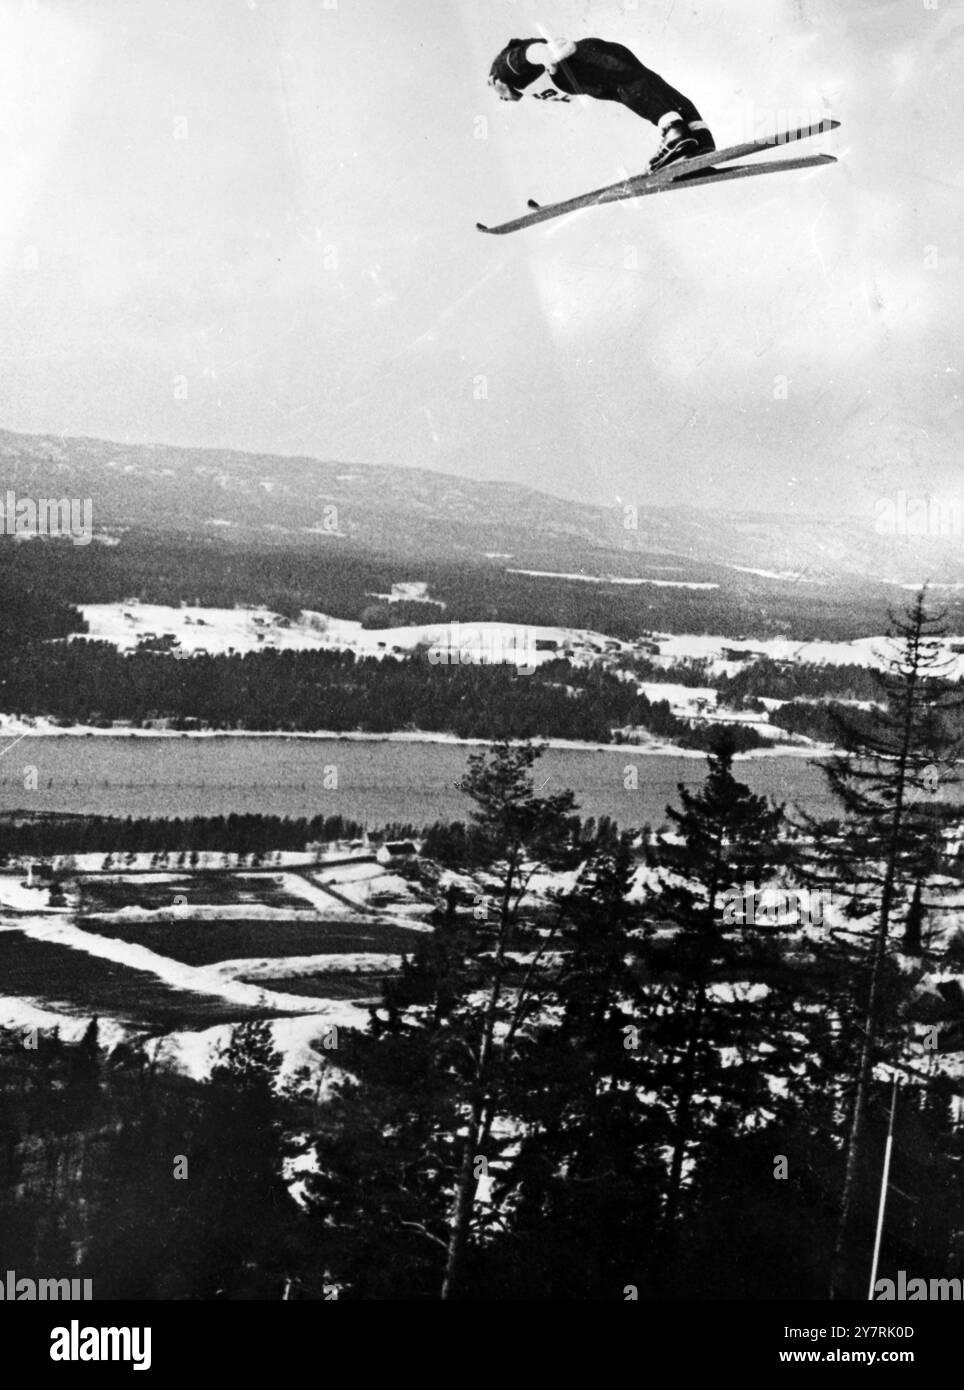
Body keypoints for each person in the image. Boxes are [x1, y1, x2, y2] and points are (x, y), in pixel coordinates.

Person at [488, 36, 715, 173]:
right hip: (596, 51)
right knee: (651, 84)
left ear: (494, 81)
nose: (504, 99)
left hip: (583, 59)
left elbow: (527, 53)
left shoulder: (504, 70)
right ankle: (699, 136)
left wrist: (547, 55)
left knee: (628, 86)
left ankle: (676, 137)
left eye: (500, 95)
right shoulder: (528, 88)